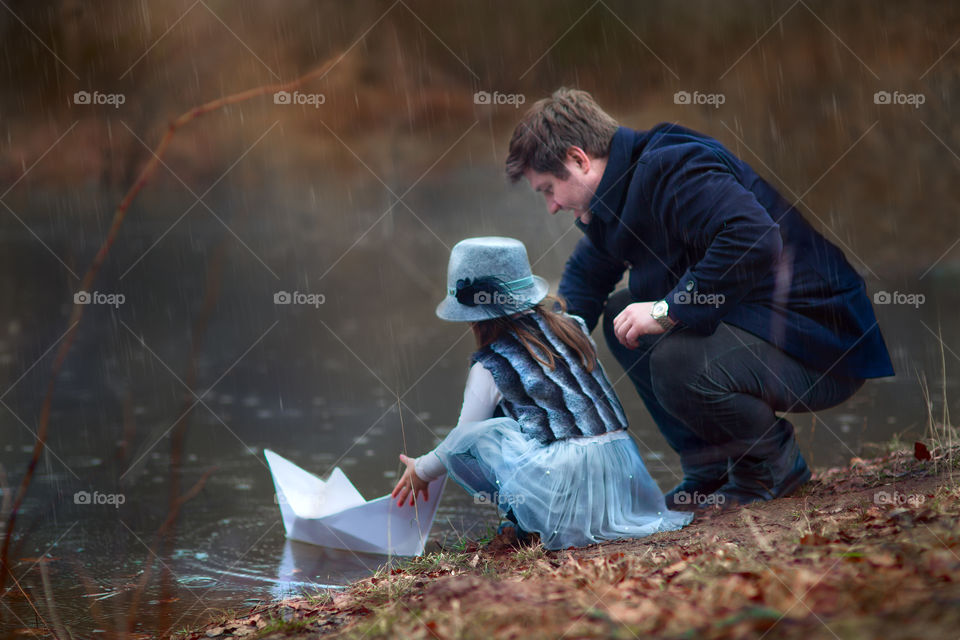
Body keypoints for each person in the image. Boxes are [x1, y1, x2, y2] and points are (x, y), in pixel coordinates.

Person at [504, 88, 895, 510]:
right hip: (764, 330)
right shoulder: (615, 198)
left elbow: (755, 238)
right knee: (623, 317)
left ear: (579, 160)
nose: (551, 206)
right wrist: (527, 361)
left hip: (822, 345)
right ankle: (710, 472)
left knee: (675, 359)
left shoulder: (674, 167)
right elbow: (582, 288)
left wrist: (668, 310)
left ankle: (769, 468)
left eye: (548, 189)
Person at [390, 236, 693, 550]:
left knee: (477, 437)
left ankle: (531, 520)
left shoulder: (489, 365)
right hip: (620, 470)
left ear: (471, 319)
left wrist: (423, 470)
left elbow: (462, 437)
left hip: (563, 480)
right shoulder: (573, 328)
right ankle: (552, 514)